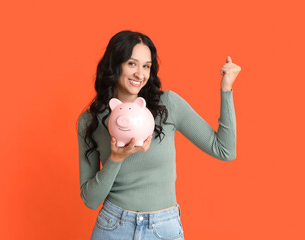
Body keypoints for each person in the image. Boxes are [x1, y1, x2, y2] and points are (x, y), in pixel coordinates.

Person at [77, 30, 241, 240]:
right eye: (131, 64)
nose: (140, 74)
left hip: (163, 228)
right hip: (113, 227)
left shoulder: (168, 105)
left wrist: (226, 89)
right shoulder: (90, 121)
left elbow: (224, 150)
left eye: (146, 66)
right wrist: (116, 158)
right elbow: (90, 200)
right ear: (114, 64)